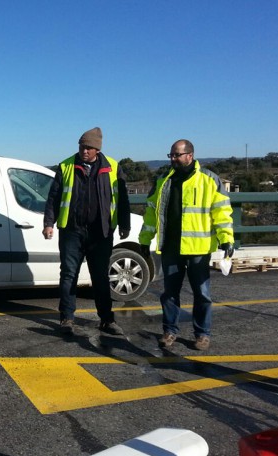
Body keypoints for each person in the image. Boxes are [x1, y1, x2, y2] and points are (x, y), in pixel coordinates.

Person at [139, 140, 234, 351]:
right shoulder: (164, 180)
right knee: (170, 293)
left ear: (190, 155)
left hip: (198, 249)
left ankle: (202, 335)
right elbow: (151, 214)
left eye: (177, 155)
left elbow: (222, 212)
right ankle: (170, 331)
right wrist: (145, 240)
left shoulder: (209, 180)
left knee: (202, 294)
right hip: (171, 247)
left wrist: (226, 238)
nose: (173, 159)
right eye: (171, 155)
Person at [42, 127, 131, 336]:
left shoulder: (113, 167)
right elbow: (53, 198)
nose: (84, 151)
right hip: (72, 231)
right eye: (82, 147)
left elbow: (123, 200)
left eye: (89, 148)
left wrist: (124, 224)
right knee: (68, 275)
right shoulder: (66, 166)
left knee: (100, 276)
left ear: (97, 150)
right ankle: (67, 318)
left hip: (101, 232)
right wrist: (48, 223)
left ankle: (107, 320)